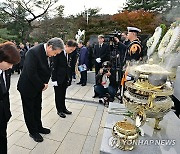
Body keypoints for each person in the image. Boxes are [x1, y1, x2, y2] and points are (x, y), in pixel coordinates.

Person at [17, 38, 64, 142]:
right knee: (29, 109)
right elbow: (31, 73)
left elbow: (49, 68)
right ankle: (33, 132)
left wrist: (45, 82)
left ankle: (39, 127)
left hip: (38, 86)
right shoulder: (33, 52)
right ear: (50, 47)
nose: (54, 55)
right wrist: (42, 85)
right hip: (27, 87)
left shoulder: (49, 53)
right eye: (55, 53)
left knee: (38, 107)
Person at [0, 42, 20, 154]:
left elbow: (5, 93)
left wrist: (7, 112)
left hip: (3, 114)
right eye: (9, 63)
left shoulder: (6, 71)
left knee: (3, 138)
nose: (11, 67)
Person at [51, 40, 77, 118]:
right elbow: (54, 67)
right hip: (58, 78)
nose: (71, 51)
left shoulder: (68, 54)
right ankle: (59, 110)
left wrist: (69, 78)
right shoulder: (58, 53)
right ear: (66, 46)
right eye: (71, 49)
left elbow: (68, 67)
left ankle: (63, 108)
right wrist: (54, 79)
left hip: (65, 78)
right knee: (58, 95)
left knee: (63, 94)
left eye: (73, 50)